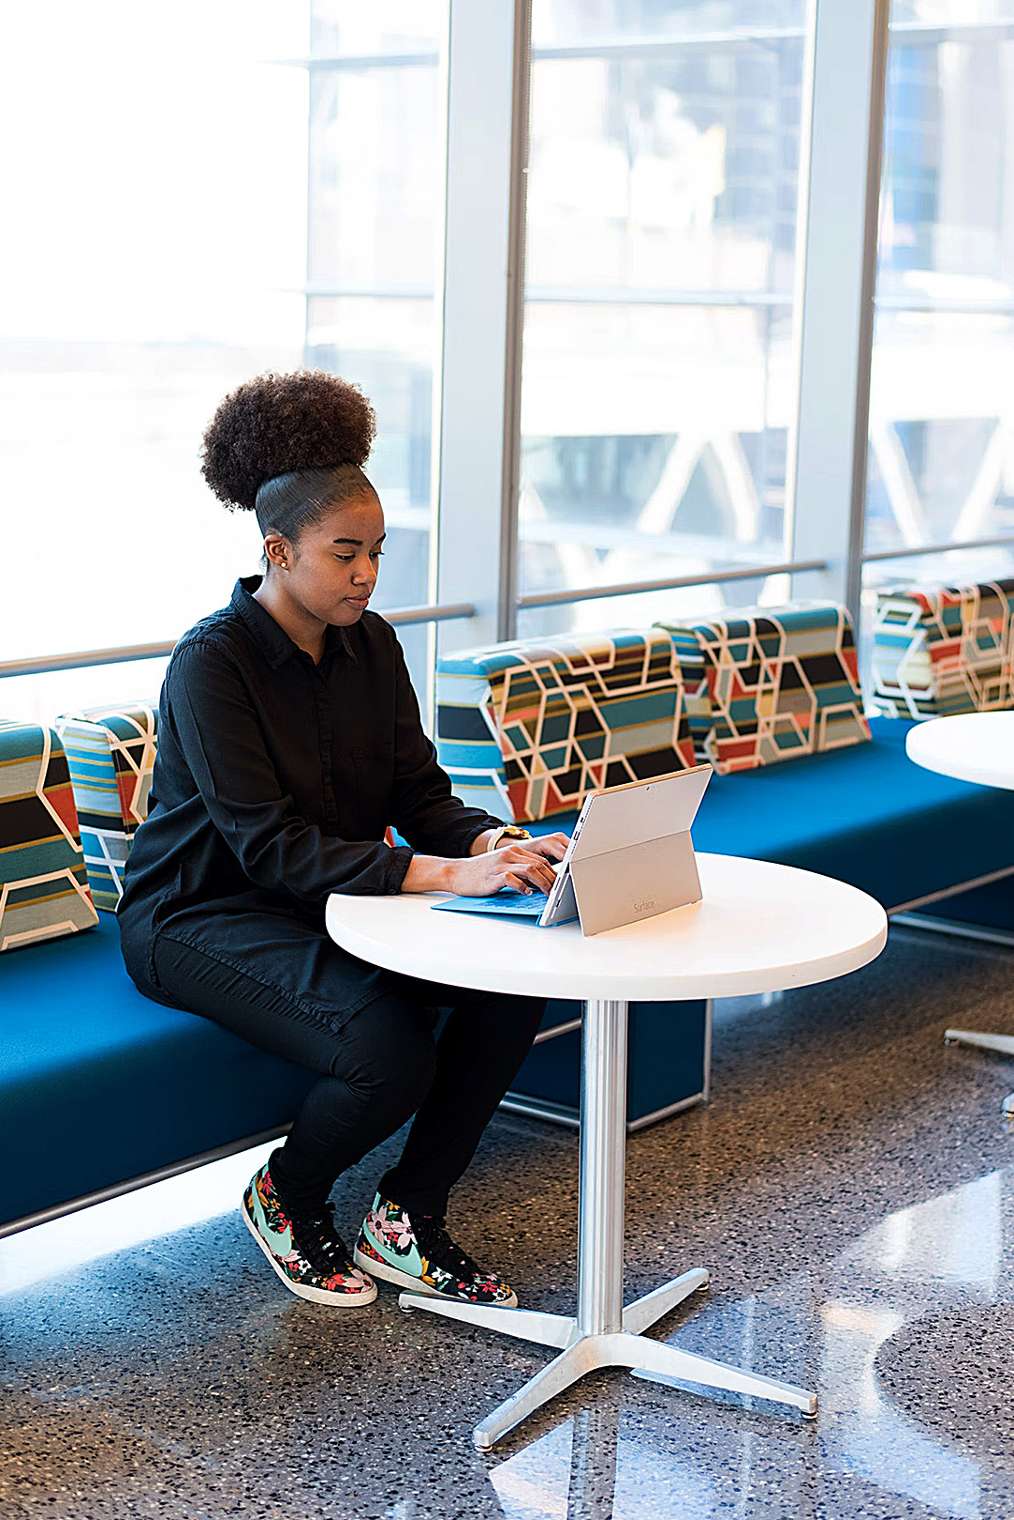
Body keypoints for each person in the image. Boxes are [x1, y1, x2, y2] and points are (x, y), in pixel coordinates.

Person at [117, 370, 569, 1311]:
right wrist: (452, 873)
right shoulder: (213, 665)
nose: (366, 574)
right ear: (279, 552)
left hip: (333, 901)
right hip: (199, 916)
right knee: (388, 1050)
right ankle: (288, 1198)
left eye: (378, 552)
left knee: (512, 988)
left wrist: (501, 842)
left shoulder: (373, 646)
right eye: (345, 553)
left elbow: (417, 791)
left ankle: (406, 1215)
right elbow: (268, 849)